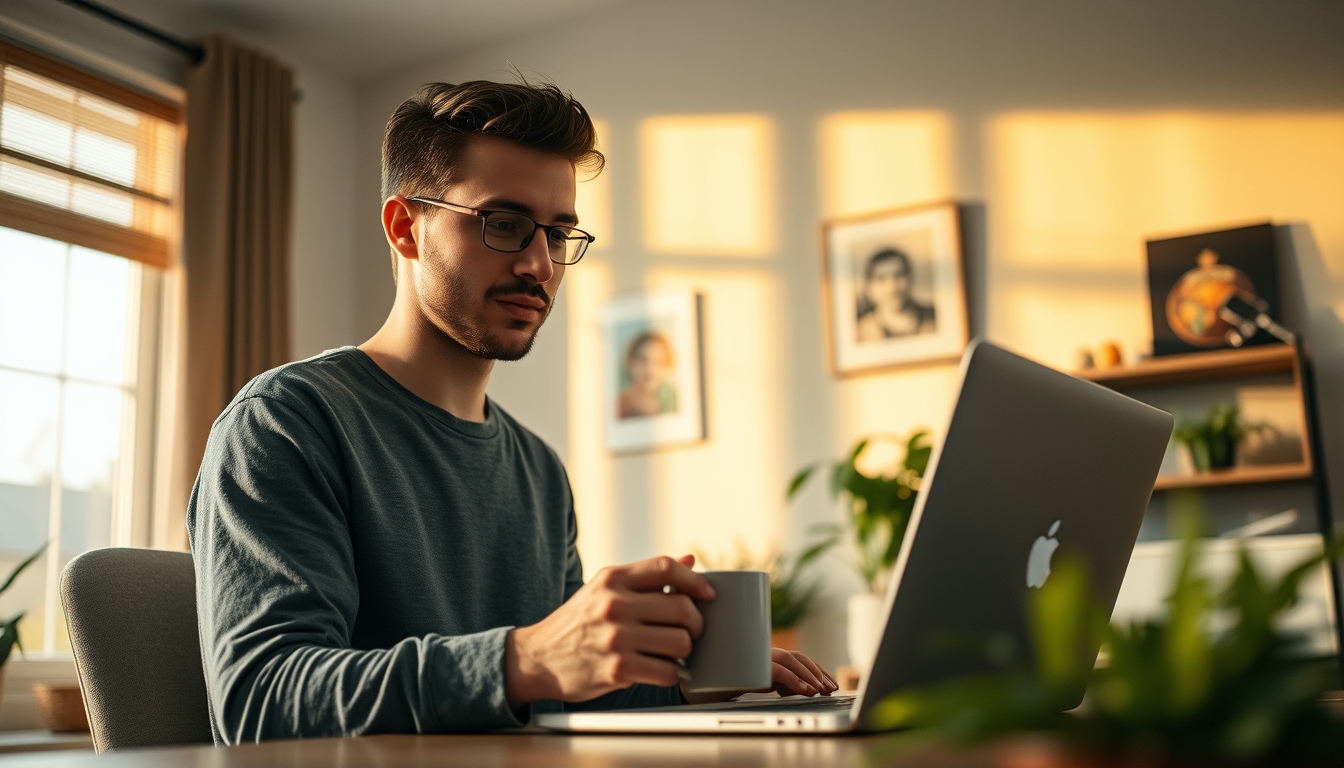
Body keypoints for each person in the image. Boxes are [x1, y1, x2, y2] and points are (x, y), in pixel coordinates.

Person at [187, 80, 836, 745]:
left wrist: (697, 680)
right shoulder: (285, 424)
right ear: (405, 227)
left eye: (558, 234)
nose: (538, 264)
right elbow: (261, 704)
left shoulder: (538, 469)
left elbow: (558, 693)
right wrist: (524, 658)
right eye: (504, 224)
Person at [855, 248, 935, 341]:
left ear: (910, 279)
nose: (892, 288)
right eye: (881, 279)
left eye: (898, 275)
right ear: (869, 288)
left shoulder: (934, 318)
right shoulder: (860, 333)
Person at [617, 330, 678, 418]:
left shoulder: (672, 404)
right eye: (642, 360)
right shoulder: (619, 406)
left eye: (658, 362)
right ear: (630, 363)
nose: (650, 369)